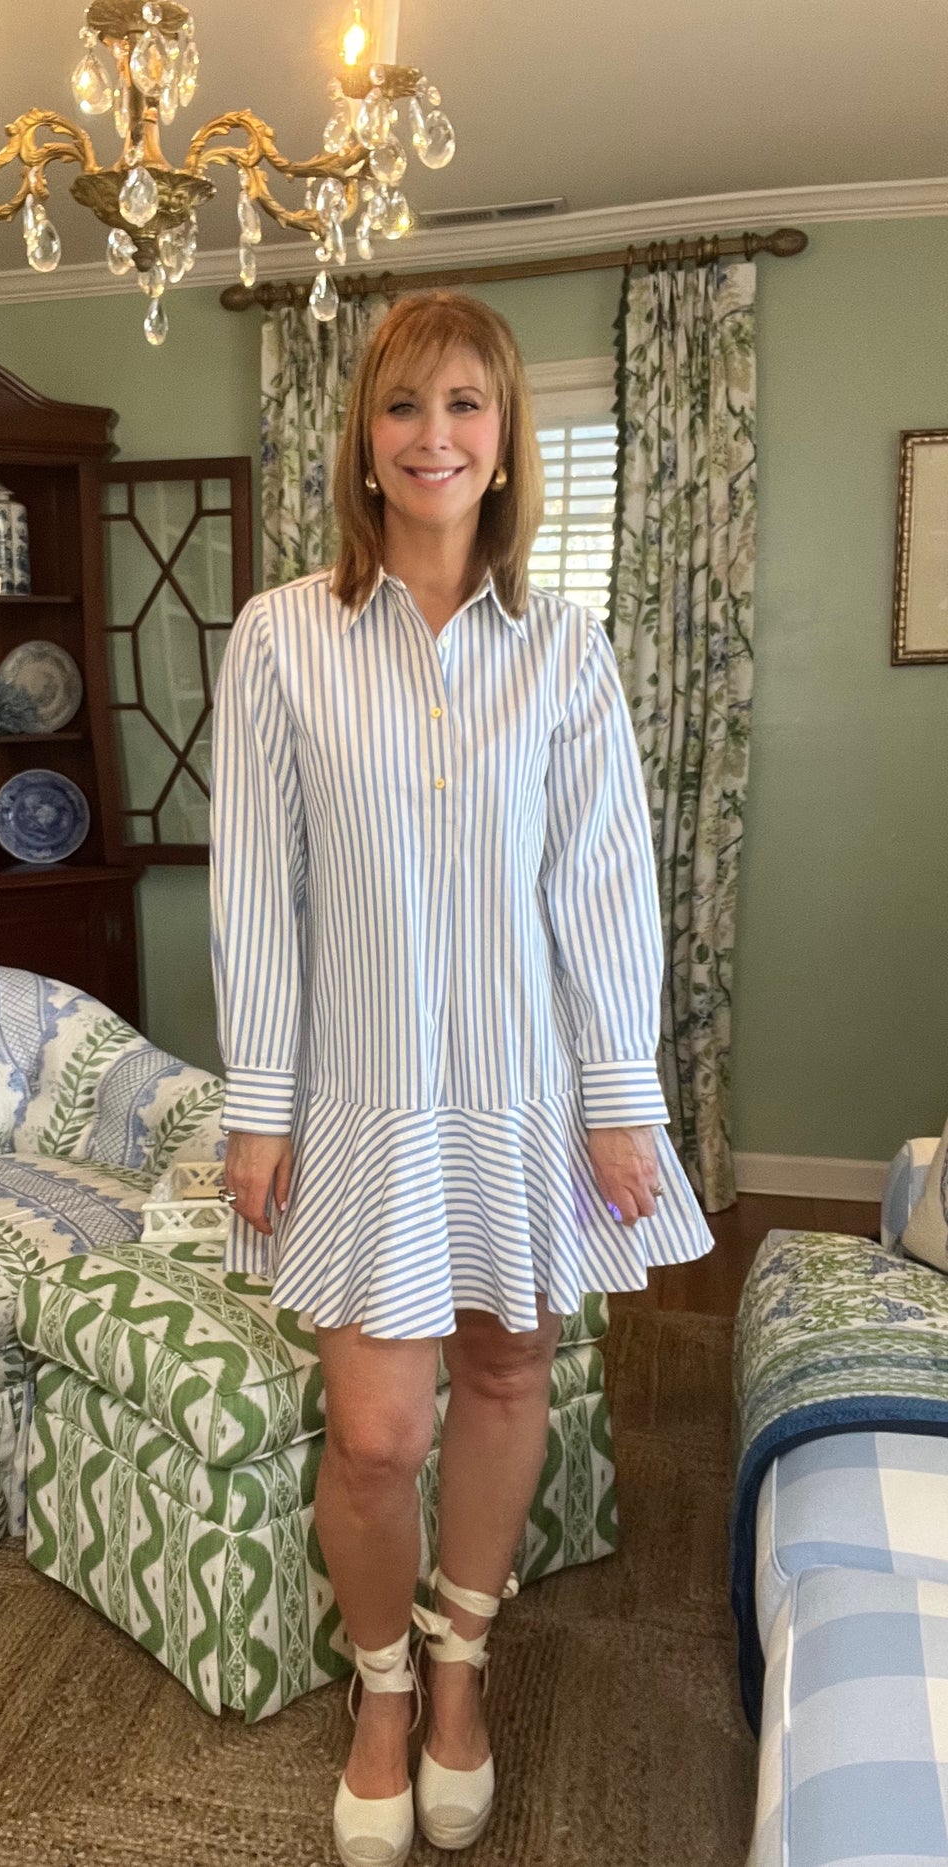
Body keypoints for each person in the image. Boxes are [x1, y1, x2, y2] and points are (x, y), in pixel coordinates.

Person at [208, 290, 716, 1867]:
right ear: (363, 440)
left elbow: (604, 886)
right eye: (405, 407)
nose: (435, 436)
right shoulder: (283, 634)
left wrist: (622, 1094)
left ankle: (458, 1667)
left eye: (467, 409)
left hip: (525, 1093)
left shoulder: (565, 648)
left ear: (507, 448)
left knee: (510, 1376)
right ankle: (375, 1682)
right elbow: (255, 889)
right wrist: (259, 1104)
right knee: (374, 1438)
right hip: (358, 1098)